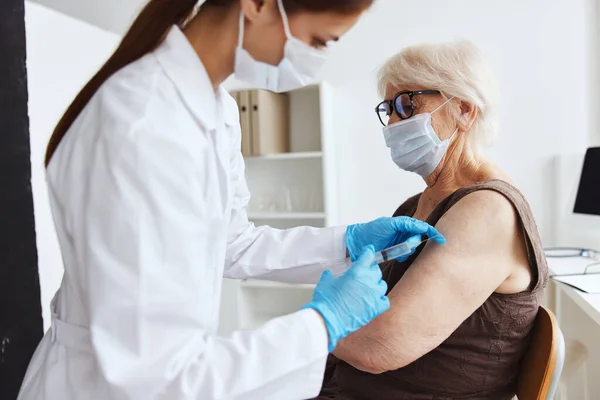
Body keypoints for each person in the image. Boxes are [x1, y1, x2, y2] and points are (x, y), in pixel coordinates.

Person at [18, 1, 446, 399]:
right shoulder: (142, 123)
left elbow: (229, 241)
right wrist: (322, 324)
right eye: (317, 41)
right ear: (257, 5)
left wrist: (346, 243)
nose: (313, 60)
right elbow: (155, 374)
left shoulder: (216, 109)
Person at [315, 41, 549, 400]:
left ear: (464, 111)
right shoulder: (417, 204)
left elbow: (379, 346)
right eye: (388, 109)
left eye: (407, 104)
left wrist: (316, 322)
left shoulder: (488, 209)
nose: (392, 122)